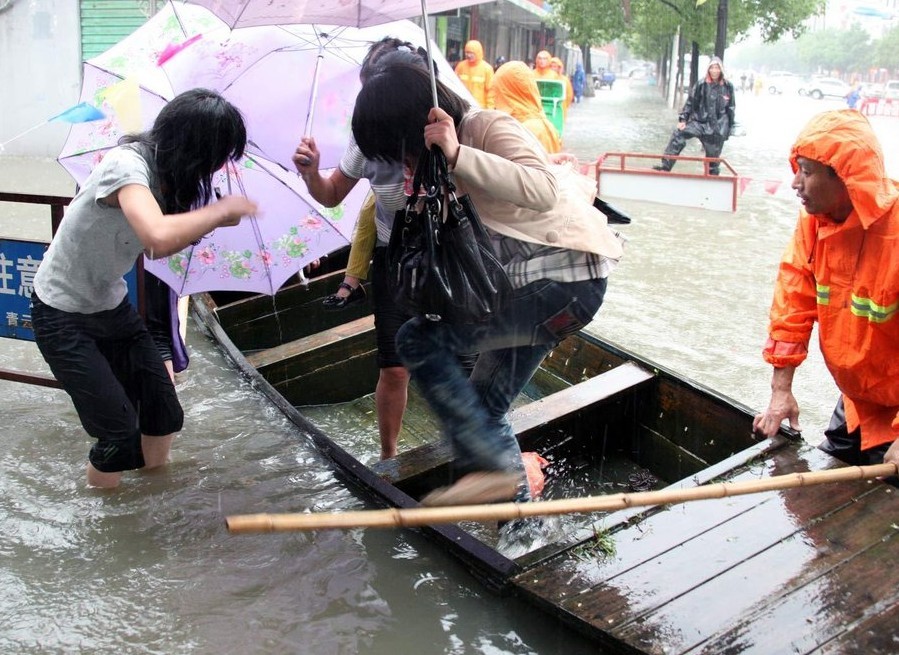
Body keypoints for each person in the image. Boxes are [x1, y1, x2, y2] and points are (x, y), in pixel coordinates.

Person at [351, 62, 624, 505]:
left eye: (397, 150)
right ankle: (519, 526)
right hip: (517, 292)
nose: (400, 162)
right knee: (483, 408)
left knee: (416, 340)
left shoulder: (485, 126)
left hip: (562, 283)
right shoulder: (429, 164)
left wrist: (459, 155)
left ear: (412, 125)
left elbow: (542, 190)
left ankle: (495, 475)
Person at [30, 89, 257, 489]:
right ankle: (110, 524)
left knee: (164, 411)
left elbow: (167, 238)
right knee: (118, 435)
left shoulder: (173, 182)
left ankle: (155, 492)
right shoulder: (126, 165)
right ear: (193, 147)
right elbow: (155, 238)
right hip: (62, 314)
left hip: (111, 306)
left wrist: (214, 212)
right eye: (217, 156)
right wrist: (218, 213)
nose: (218, 167)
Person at [294, 42, 432, 460]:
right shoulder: (365, 137)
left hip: (446, 255)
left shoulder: (443, 128)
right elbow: (332, 193)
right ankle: (389, 456)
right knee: (393, 367)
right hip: (394, 259)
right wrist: (312, 173)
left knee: (460, 360)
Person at [752, 110, 899, 473]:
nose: (794, 183)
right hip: (856, 399)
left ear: (844, 177)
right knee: (829, 478)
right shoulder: (813, 224)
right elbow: (792, 304)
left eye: (806, 171)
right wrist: (780, 390)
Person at [653, 56, 735, 175]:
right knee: (678, 134)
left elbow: (731, 108)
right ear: (708, 69)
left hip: (718, 126)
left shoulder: (728, 86)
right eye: (712, 68)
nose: (714, 71)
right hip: (700, 122)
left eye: (717, 68)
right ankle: (666, 166)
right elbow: (691, 102)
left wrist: (729, 128)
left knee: (713, 159)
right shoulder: (701, 84)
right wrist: (683, 119)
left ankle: (713, 181)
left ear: (721, 70)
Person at [490, 60, 562, 154]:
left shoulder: (525, 129)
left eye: (498, 92)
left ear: (509, 93)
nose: (494, 98)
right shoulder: (539, 121)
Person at [453, 39, 494, 109]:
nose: (468, 55)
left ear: (478, 53)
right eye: (466, 52)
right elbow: (453, 85)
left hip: (479, 108)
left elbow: (491, 92)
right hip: (463, 106)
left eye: (471, 53)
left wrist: (490, 109)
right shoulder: (460, 66)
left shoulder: (487, 69)